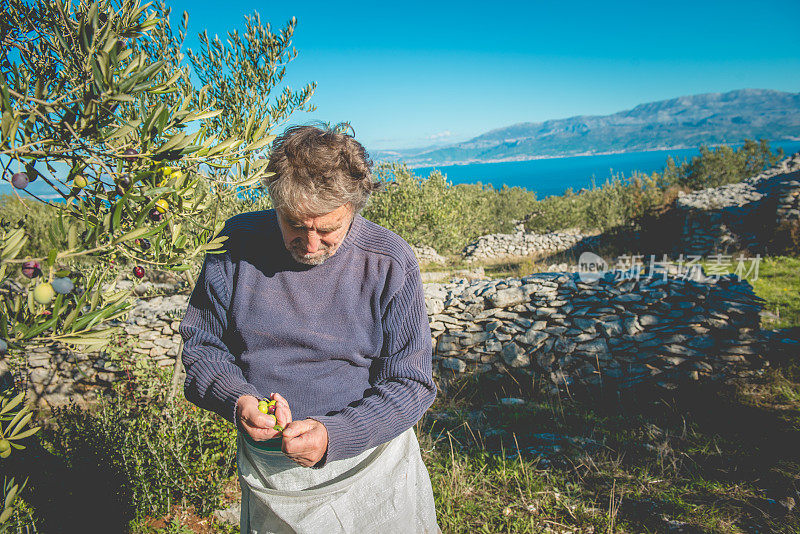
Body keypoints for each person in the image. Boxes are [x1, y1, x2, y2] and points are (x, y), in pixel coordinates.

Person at [179, 125, 440, 533]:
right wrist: (238, 399)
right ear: (274, 203)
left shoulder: (389, 261)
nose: (311, 244)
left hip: (369, 465)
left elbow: (411, 383)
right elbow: (202, 349)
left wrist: (334, 434)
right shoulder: (235, 244)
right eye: (295, 225)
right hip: (270, 472)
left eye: (327, 230)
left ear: (353, 209)